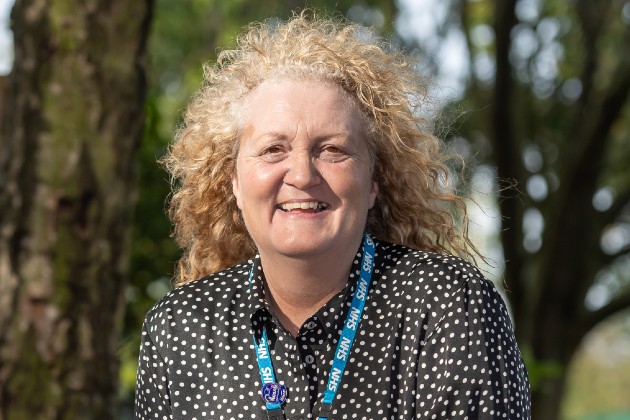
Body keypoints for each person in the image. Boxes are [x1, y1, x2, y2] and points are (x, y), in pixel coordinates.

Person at [134, 12, 531, 420]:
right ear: (233, 180)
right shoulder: (179, 328)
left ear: (374, 180)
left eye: (333, 150)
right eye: (274, 149)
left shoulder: (446, 307)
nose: (303, 175)